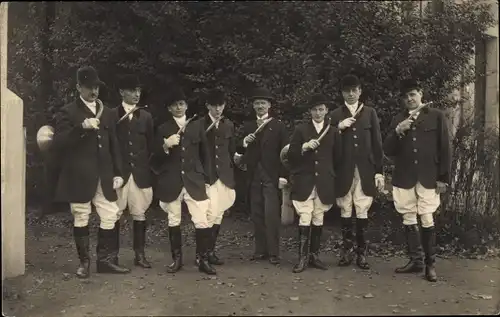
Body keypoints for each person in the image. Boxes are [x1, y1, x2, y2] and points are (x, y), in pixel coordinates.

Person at [52, 66, 130, 278]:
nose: (93, 92)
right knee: (81, 216)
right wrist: (81, 128)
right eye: (88, 88)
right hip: (79, 176)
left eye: (96, 87)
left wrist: (118, 172)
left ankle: (105, 261)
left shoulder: (108, 112)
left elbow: (115, 145)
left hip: (104, 175)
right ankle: (84, 263)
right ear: (78, 87)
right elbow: (58, 142)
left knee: (111, 214)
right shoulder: (68, 112)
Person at [383, 79, 451, 282]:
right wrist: (398, 130)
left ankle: (430, 266)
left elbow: (445, 148)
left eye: (413, 94)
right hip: (405, 176)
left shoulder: (436, 116)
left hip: (428, 177)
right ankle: (416, 261)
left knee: (427, 217)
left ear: (420, 94)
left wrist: (443, 178)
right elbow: (387, 150)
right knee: (408, 217)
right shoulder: (398, 118)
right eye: (406, 97)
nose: (409, 99)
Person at [152, 87, 216, 275]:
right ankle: (177, 260)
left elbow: (206, 155)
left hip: (194, 180)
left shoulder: (197, 126)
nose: (178, 107)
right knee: (174, 219)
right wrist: (165, 145)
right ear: (169, 109)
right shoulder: (163, 128)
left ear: (186, 106)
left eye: (181, 104)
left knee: (201, 219)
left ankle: (202, 260)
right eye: (174, 105)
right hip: (171, 180)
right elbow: (154, 159)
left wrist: (207, 179)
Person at [330, 74, 385, 270]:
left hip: (365, 170)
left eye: (354, 90)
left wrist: (379, 171)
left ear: (360, 91)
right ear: (342, 93)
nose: (351, 94)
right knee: (345, 208)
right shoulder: (335, 115)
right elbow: (327, 143)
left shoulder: (370, 113)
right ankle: (346, 252)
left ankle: (361, 254)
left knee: (362, 209)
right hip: (344, 170)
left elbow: (377, 145)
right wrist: (337, 128)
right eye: (347, 91)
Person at [235, 87, 288, 265]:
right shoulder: (248, 126)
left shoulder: (278, 126)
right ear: (253, 105)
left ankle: (274, 252)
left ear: (269, 105)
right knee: (257, 214)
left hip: (271, 176)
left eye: (263, 103)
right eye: (257, 103)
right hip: (253, 176)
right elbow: (238, 152)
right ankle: (260, 251)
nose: (260, 106)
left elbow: (285, 154)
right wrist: (243, 142)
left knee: (271, 214)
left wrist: (283, 176)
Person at [287, 94, 338, 273]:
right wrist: (303, 147)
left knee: (318, 216)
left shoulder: (333, 131)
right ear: (310, 111)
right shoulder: (301, 130)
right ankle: (302, 258)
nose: (318, 113)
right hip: (305, 180)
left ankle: (314, 256)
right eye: (315, 109)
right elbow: (291, 156)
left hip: (324, 180)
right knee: (305, 216)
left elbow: (337, 158)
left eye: (321, 109)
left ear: (326, 111)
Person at [110, 74, 154, 269]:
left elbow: (150, 145)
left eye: (138, 91)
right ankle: (112, 256)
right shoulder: (112, 115)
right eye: (132, 91)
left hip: (140, 174)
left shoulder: (145, 116)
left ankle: (140, 255)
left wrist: (147, 169)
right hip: (119, 174)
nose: (137, 94)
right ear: (121, 92)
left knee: (139, 214)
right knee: (113, 214)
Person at [195, 88, 236, 266]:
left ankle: (210, 252)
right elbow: (194, 153)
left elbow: (231, 150)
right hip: (207, 176)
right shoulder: (199, 125)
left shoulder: (228, 125)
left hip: (224, 176)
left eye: (221, 105)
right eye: (214, 106)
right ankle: (200, 255)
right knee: (207, 215)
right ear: (208, 106)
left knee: (218, 214)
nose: (218, 109)